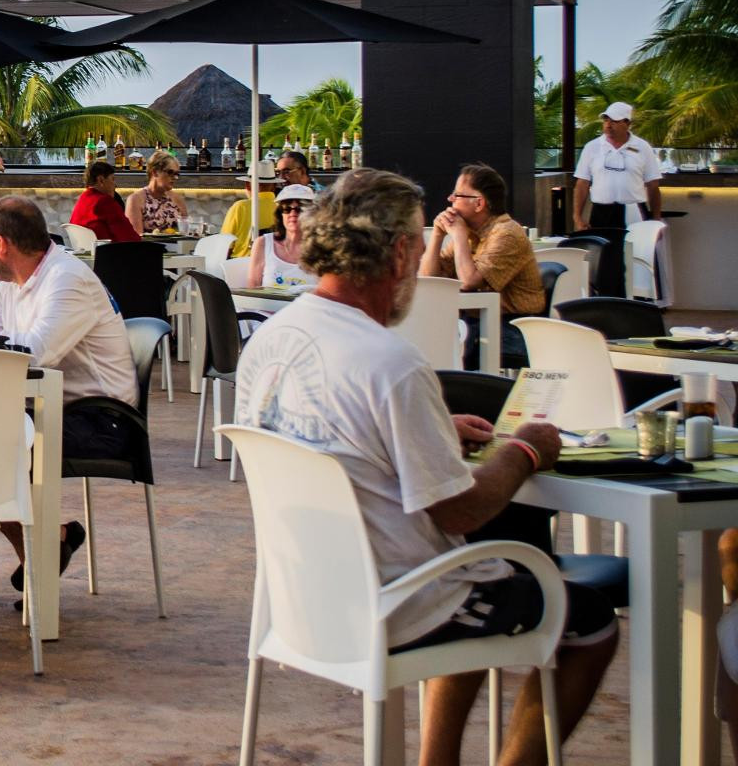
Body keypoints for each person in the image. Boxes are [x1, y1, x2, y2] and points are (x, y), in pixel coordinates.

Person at [235, 170, 617, 766]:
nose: (421, 259)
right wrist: (526, 450)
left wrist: (433, 428)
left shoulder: (271, 340)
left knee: (472, 570)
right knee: (587, 620)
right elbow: (462, 509)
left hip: (304, 599)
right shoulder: (390, 361)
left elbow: (340, 437)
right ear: (396, 252)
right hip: (400, 604)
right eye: (418, 243)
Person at [0, 195, 139, 598]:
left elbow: (35, 353)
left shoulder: (67, 278)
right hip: (51, 408)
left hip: (104, 419)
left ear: (1, 244)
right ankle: (48, 543)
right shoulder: (12, 283)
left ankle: (42, 552)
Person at [421, 163, 545, 371]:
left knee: (446, 344)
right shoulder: (471, 234)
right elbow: (429, 278)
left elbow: (469, 281)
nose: (450, 199)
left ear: (479, 203)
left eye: (457, 195)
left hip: (515, 328)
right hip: (480, 322)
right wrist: (437, 235)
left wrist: (459, 236)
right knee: (432, 339)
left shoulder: (507, 233)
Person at [571, 101, 663, 297]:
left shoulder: (642, 147)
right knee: (604, 259)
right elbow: (582, 184)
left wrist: (656, 218)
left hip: (633, 209)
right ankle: (606, 299)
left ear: (627, 123)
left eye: (614, 121)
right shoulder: (592, 147)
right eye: (606, 120)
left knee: (635, 256)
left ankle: (636, 299)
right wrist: (577, 216)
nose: (609, 125)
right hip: (602, 211)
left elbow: (653, 185)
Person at [245, 183, 316, 289]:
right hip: (268, 300)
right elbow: (253, 286)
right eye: (286, 208)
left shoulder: (322, 246)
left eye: (300, 209)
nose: (293, 213)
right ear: (280, 214)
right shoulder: (263, 243)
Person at [68, 159, 138, 243]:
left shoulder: (83, 198)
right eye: (112, 179)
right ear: (101, 180)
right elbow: (130, 238)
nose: (115, 185)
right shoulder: (106, 202)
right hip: (107, 251)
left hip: (82, 250)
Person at [124, 149, 189, 235]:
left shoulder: (177, 199)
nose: (175, 178)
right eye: (170, 172)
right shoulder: (135, 200)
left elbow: (186, 233)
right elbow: (135, 237)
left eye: (176, 174)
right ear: (155, 172)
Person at [219, 176, 280, 259]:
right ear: (274, 186)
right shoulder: (283, 209)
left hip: (242, 262)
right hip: (273, 262)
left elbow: (224, 245)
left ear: (247, 185)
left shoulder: (240, 207)